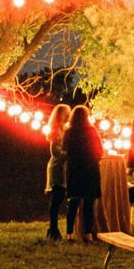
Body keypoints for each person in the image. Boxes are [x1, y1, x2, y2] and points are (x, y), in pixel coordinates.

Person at [64, 105, 104, 243]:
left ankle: (69, 233)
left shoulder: (69, 132)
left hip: (74, 170)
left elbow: (65, 150)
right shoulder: (92, 132)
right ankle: (87, 234)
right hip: (89, 169)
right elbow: (100, 151)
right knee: (88, 204)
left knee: (73, 202)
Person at [44, 104, 71, 242]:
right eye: (67, 113)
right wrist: (70, 153)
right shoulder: (55, 131)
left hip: (64, 167)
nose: (69, 115)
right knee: (57, 198)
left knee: (59, 198)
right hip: (57, 168)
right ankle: (53, 228)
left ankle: (53, 228)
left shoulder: (64, 130)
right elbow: (56, 152)